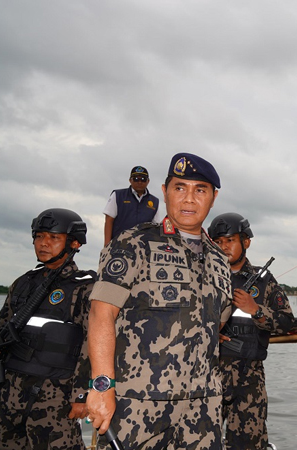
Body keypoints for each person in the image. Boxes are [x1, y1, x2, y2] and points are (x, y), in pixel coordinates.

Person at [86, 153, 233, 449]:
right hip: (137, 406)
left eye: (200, 190)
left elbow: (218, 323)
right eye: (180, 188)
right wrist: (102, 387)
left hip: (203, 410)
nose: (189, 199)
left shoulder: (220, 259)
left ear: (213, 198)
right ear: (164, 192)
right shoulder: (133, 243)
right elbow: (101, 314)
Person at [0, 208, 95, 450]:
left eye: (53, 237)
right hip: (9, 391)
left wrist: (81, 395)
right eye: (39, 236)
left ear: (73, 243)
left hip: (54, 396)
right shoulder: (22, 283)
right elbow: (2, 326)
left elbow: (91, 344)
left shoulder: (86, 288)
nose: (43, 243)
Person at [208, 213, 294, 450]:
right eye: (218, 242)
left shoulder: (263, 281)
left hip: (249, 379)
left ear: (246, 242)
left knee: (248, 445)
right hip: (206, 377)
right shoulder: (202, 277)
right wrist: (210, 334)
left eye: (230, 240)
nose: (224, 247)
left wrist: (256, 310)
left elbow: (287, 323)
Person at [102, 165, 163, 246]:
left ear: (148, 181)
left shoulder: (155, 201)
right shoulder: (117, 195)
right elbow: (109, 220)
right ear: (130, 180)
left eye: (143, 179)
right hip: (118, 245)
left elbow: (155, 227)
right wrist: (106, 245)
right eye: (136, 179)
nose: (139, 182)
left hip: (142, 248)